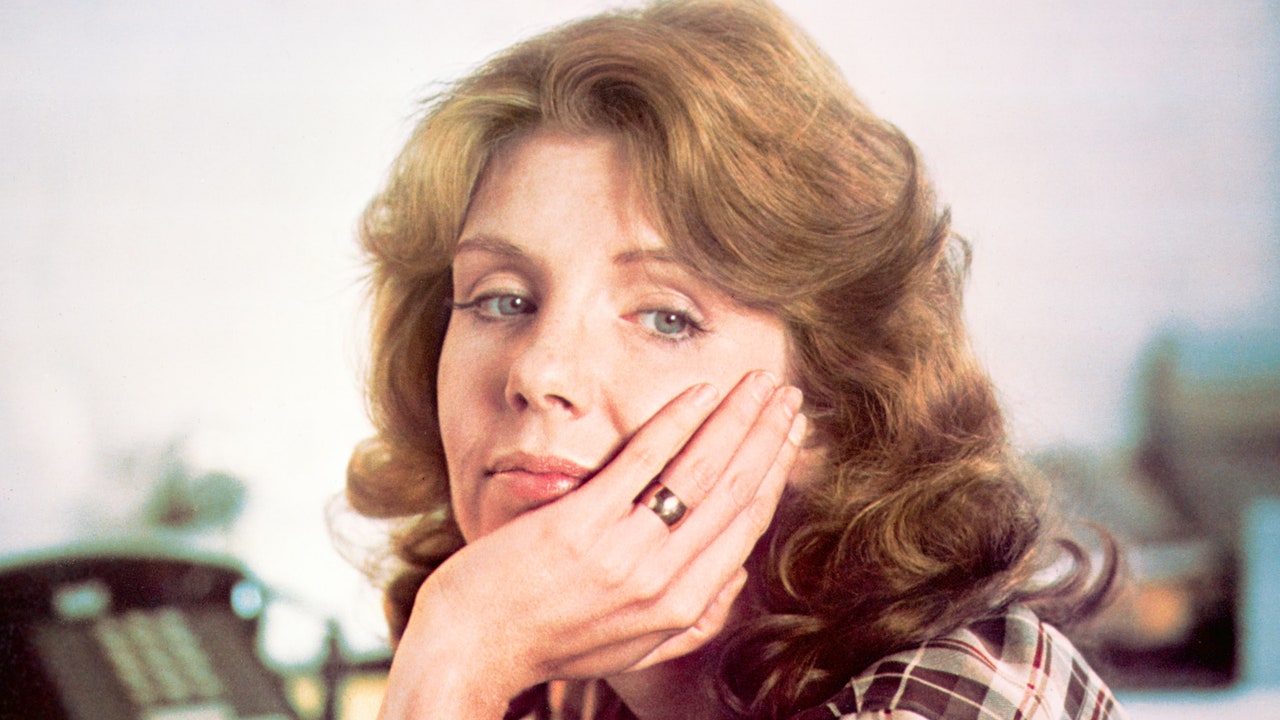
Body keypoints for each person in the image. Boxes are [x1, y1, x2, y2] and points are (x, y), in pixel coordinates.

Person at [343, 1, 1125, 718]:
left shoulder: (972, 691)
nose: (538, 373)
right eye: (501, 300)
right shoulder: (564, 687)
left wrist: (459, 658)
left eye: (665, 318)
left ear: (829, 405)